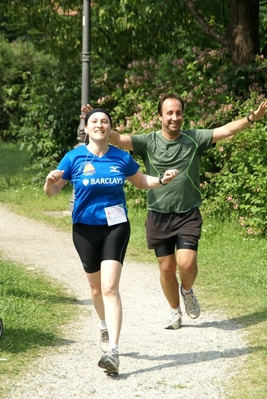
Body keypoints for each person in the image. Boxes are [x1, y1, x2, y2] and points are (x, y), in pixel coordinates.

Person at [80, 95, 267, 331]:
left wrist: (252, 118)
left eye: (178, 113)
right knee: (167, 268)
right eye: (169, 113)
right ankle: (174, 310)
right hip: (158, 214)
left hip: (187, 213)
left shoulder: (194, 138)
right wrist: (95, 121)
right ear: (160, 116)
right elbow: (116, 138)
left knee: (186, 263)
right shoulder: (148, 141)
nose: (174, 117)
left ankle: (187, 291)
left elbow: (226, 130)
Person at [44, 108, 178, 376]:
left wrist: (161, 180)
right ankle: (103, 324)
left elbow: (140, 180)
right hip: (84, 229)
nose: (100, 125)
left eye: (104, 121)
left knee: (109, 288)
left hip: (115, 226)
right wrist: (50, 182)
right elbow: (53, 191)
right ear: (87, 128)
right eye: (94, 121)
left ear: (109, 128)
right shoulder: (74, 157)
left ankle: (113, 351)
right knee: (95, 290)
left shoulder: (120, 157)